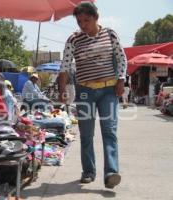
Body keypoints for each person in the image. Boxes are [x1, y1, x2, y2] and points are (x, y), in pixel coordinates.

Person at [58, 1, 127, 189]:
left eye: (86, 20)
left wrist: (121, 80)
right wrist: (62, 89)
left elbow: (121, 58)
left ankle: (111, 173)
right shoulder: (74, 39)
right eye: (79, 21)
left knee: (109, 131)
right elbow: (64, 65)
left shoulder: (110, 34)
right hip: (85, 91)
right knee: (86, 134)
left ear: (96, 17)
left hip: (108, 91)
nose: (82, 25)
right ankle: (88, 171)